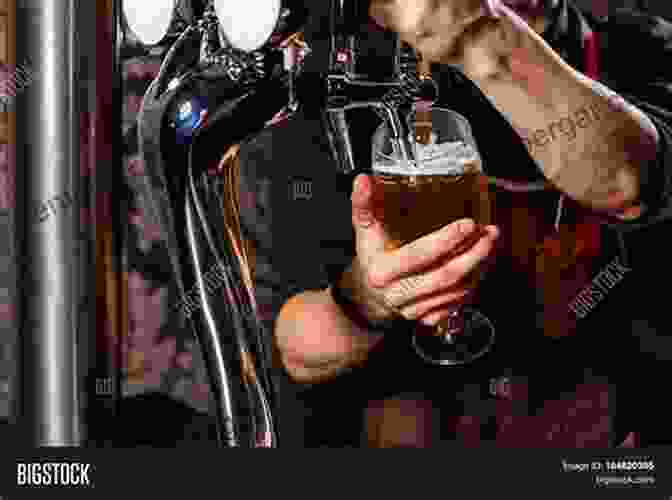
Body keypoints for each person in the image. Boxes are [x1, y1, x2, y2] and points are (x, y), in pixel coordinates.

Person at [237, 0, 672, 447]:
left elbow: (631, 183)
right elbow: (296, 348)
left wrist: (482, 39)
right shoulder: (335, 76)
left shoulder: (639, 45)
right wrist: (369, 296)